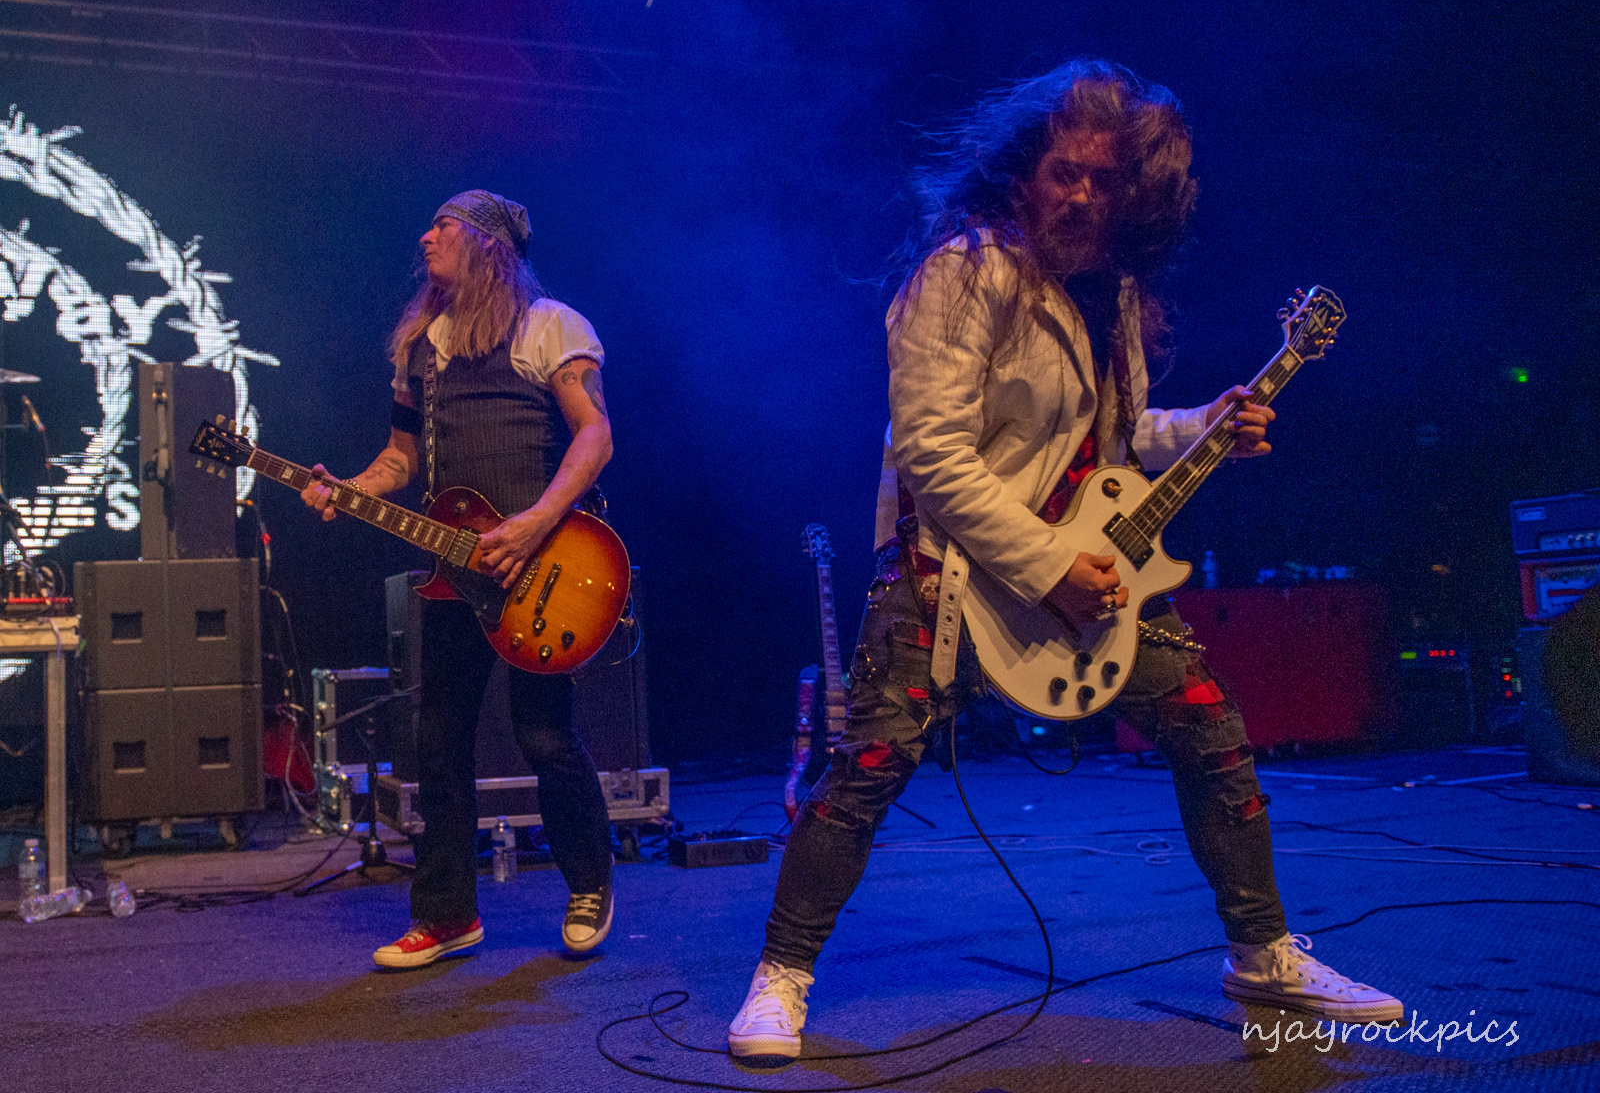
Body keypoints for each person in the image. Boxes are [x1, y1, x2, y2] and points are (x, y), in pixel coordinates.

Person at [727, 61, 1404, 1064]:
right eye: (1063, 172)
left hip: (1085, 566)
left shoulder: (1113, 293)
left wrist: (1202, 427)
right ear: (1022, 171)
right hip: (949, 571)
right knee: (867, 768)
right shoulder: (964, 272)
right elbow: (933, 455)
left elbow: (1111, 443)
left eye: (1103, 179)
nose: (1082, 195)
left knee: (1210, 727)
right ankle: (780, 977)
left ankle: (1263, 955)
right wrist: (1046, 565)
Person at [301, 189, 617, 967]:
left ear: (487, 244)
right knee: (438, 742)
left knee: (545, 736)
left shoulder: (550, 326)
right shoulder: (420, 346)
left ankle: (590, 884)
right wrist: (352, 489)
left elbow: (595, 436)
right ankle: (447, 916)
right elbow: (401, 458)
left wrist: (535, 522)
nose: (425, 236)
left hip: (540, 564)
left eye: (443, 225)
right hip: (454, 572)